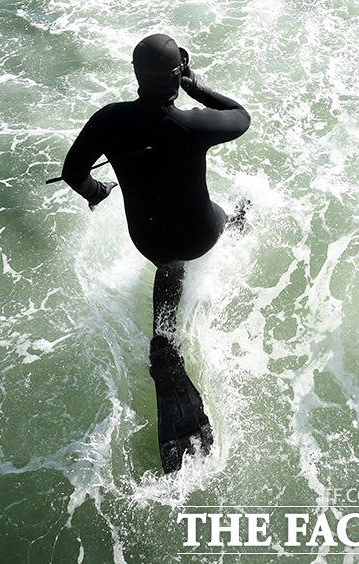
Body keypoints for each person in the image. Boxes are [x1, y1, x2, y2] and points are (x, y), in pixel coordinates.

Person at [61, 34, 251, 458]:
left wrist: (96, 190)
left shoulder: (108, 120)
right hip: (198, 235)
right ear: (175, 74)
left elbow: (72, 171)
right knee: (228, 215)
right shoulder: (192, 124)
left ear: (135, 74)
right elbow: (240, 116)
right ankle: (236, 230)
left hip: (146, 239)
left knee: (168, 261)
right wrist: (195, 87)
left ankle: (163, 340)